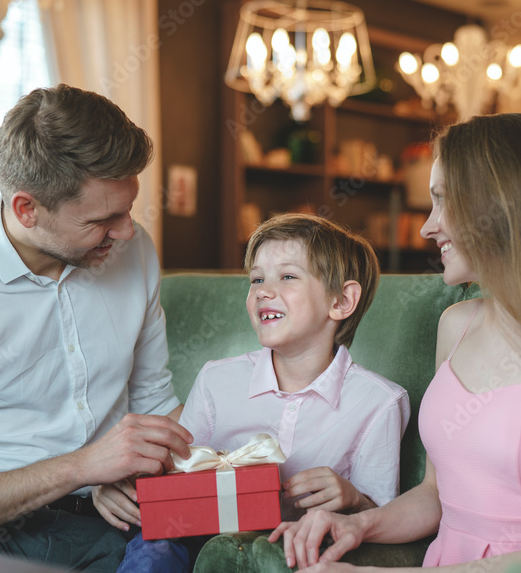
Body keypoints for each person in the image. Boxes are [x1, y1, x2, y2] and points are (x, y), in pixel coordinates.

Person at [269, 113, 521, 571]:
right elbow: (437, 496)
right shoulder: (456, 324)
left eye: (442, 201)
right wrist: (359, 525)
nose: (427, 227)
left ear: (504, 208)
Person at [0, 84, 193, 571]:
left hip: (117, 522)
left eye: (128, 209)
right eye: (103, 219)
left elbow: (155, 403)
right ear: (27, 209)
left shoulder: (132, 250)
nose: (127, 231)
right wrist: (84, 467)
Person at [117, 213, 410, 572]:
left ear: (341, 301)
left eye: (287, 276)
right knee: (154, 551)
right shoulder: (216, 379)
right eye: (256, 279)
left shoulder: (379, 401)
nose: (262, 291)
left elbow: (384, 516)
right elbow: (176, 481)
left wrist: (353, 499)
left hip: (285, 552)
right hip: (195, 537)